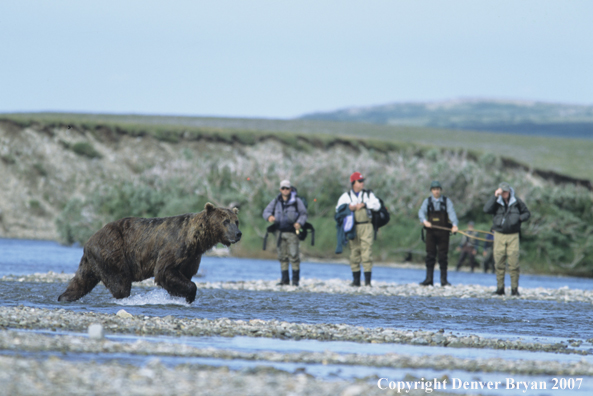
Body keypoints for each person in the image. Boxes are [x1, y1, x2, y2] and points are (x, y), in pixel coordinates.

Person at [484, 182, 530, 296]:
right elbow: (486, 209)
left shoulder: (517, 202)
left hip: (513, 235)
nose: (504, 193)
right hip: (499, 234)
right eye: (502, 191)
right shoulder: (496, 202)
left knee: (514, 263)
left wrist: (519, 218)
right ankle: (500, 289)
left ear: (509, 191)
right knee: (499, 262)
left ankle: (514, 289)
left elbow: (527, 213)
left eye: (506, 191)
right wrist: (495, 196)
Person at [335, 172, 381, 287]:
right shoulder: (346, 196)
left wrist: (365, 204)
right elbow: (338, 210)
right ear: (353, 183)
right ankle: (356, 281)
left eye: (362, 181)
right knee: (354, 253)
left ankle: (367, 282)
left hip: (366, 226)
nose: (362, 183)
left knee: (367, 252)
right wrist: (349, 207)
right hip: (352, 227)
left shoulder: (368, 194)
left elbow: (377, 205)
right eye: (359, 181)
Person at [262, 180, 308, 286]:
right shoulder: (276, 201)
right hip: (279, 232)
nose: (285, 190)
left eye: (287, 188)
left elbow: (304, 214)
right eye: (283, 188)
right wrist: (269, 217)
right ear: (280, 189)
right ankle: (285, 280)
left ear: (290, 189)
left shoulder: (296, 201)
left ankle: (295, 281)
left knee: (294, 255)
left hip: (292, 232)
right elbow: (266, 211)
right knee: (282, 256)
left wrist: (299, 223)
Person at [418, 181, 459, 286]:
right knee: (430, 256)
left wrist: (454, 225)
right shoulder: (427, 201)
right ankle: (429, 279)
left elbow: (452, 213)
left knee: (443, 256)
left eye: (438, 189)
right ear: (431, 190)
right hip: (431, 233)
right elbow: (421, 212)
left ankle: (444, 280)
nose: (436, 191)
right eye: (434, 189)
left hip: (444, 233)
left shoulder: (446, 201)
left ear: (440, 190)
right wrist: (424, 221)